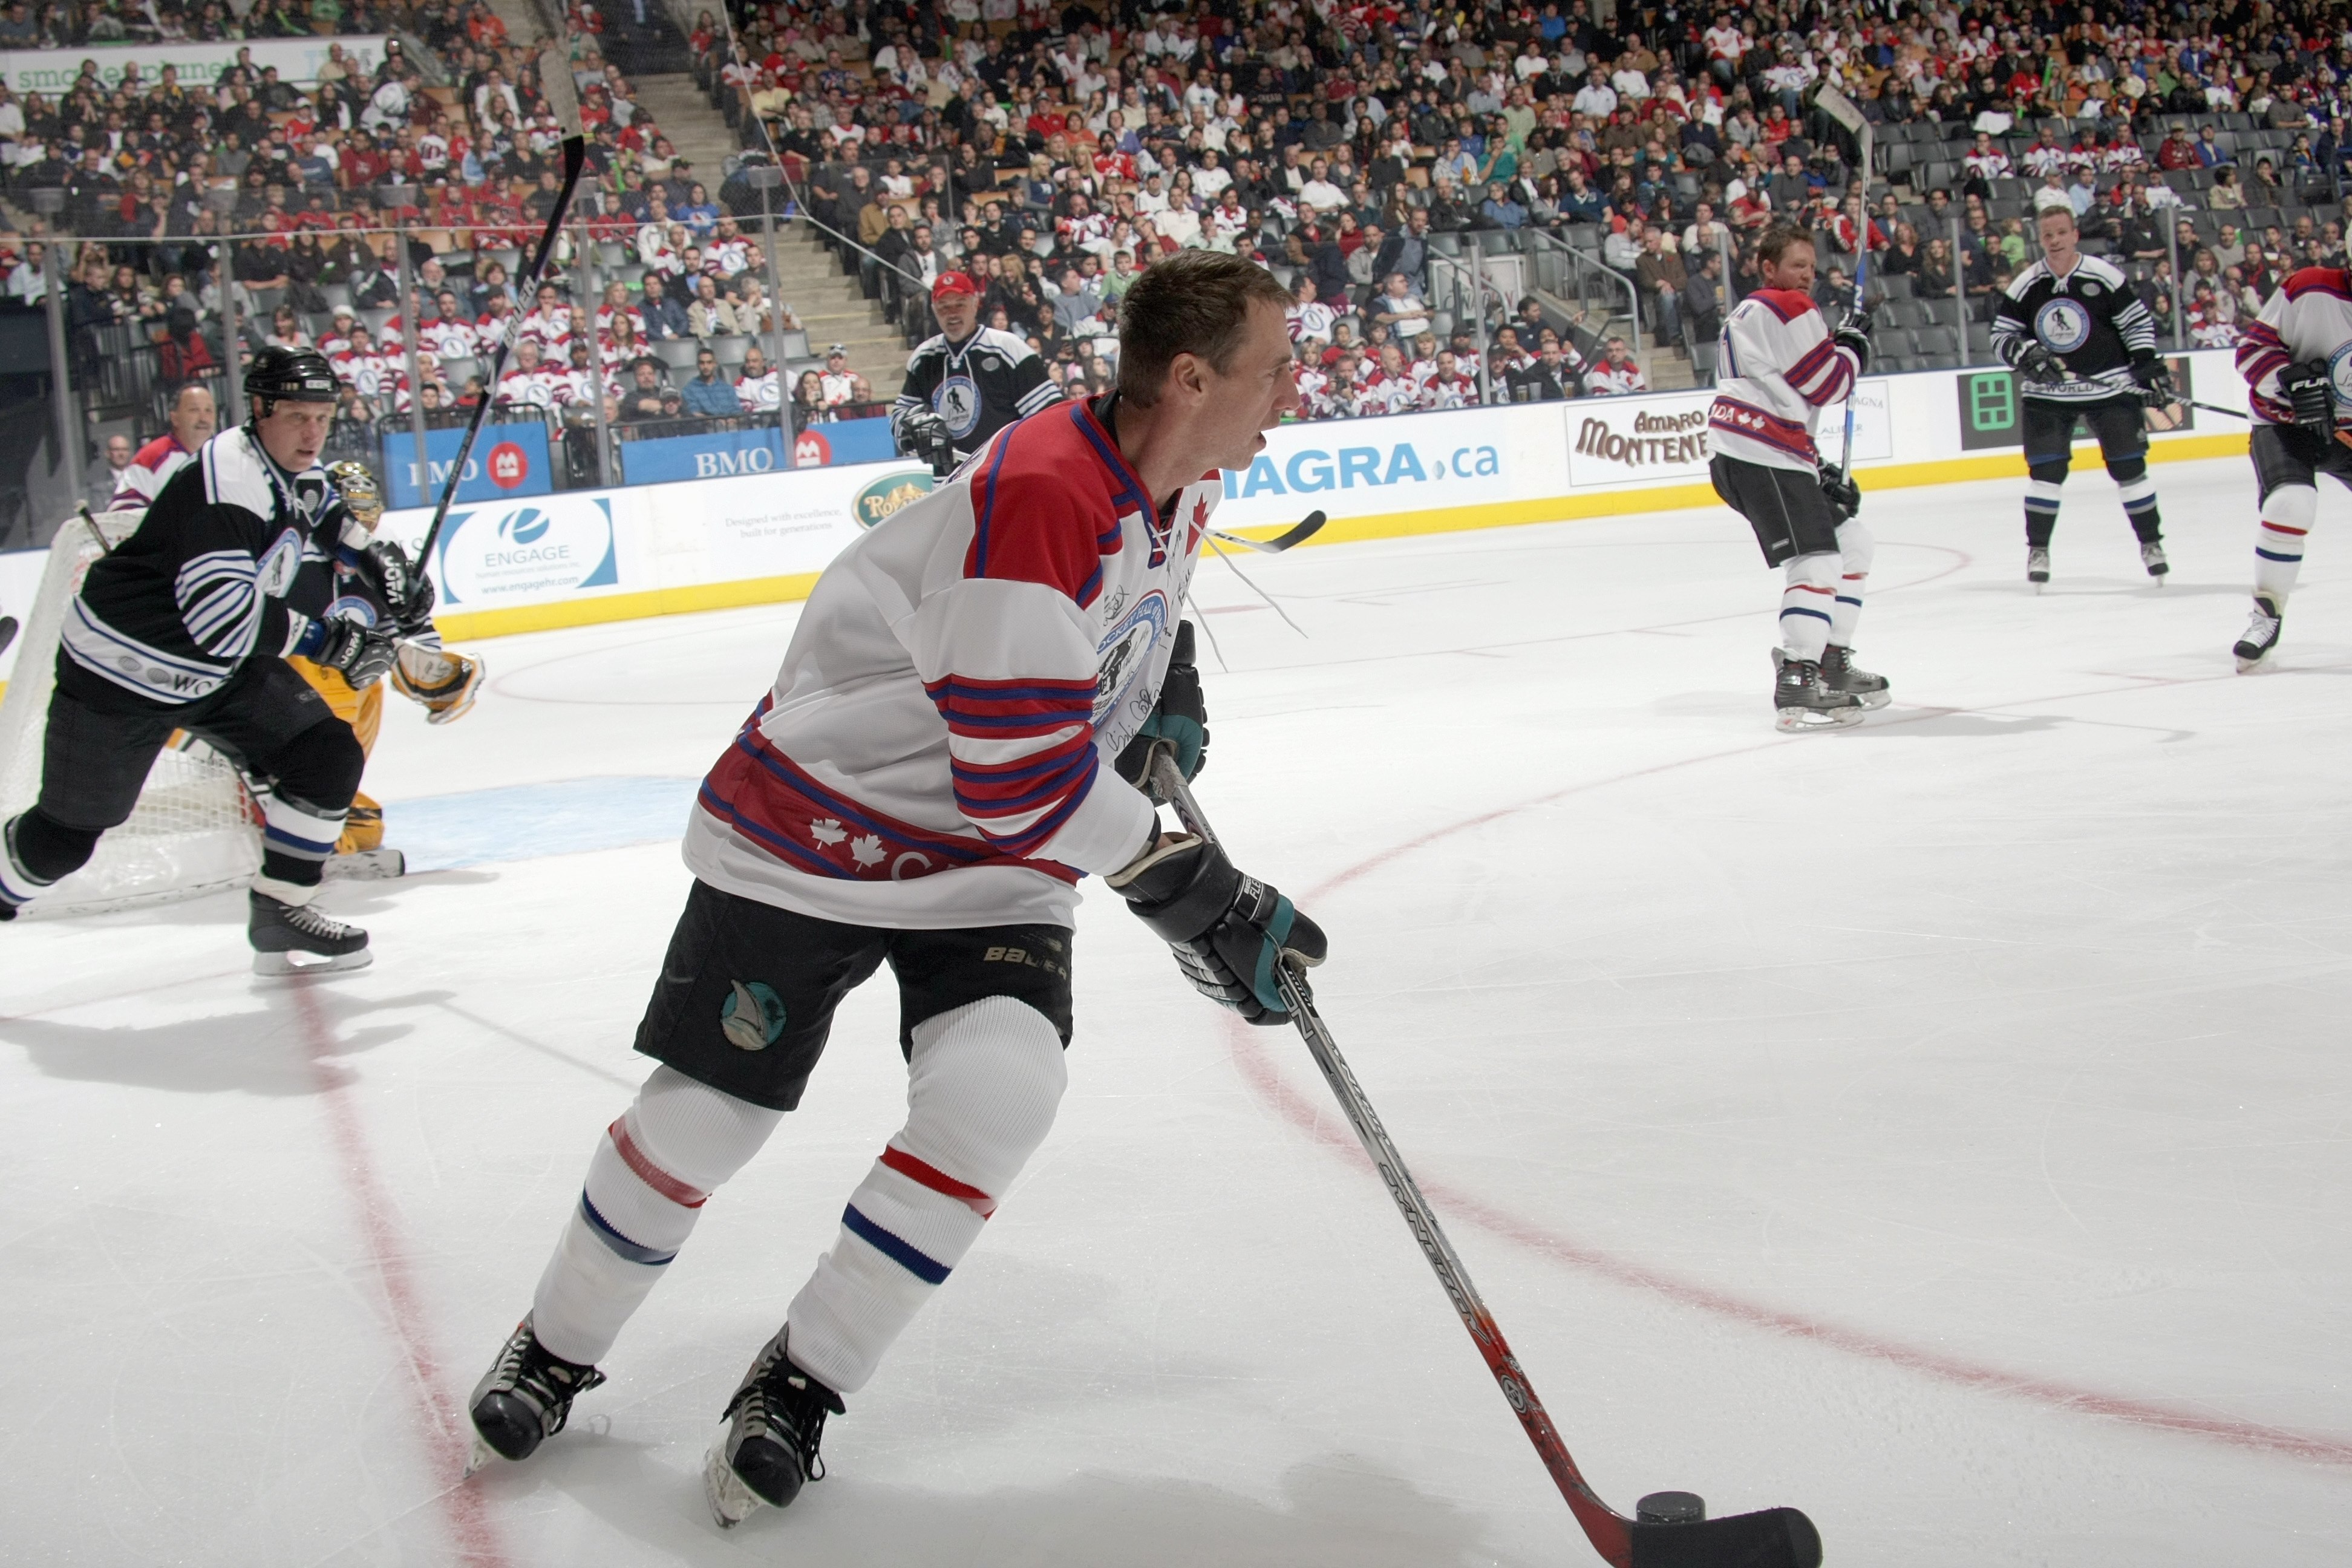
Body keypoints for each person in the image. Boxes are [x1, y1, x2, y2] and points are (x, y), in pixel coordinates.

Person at [460, 250, 1326, 1529]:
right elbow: (1024, 787)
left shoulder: (1178, 476)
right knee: (709, 1118)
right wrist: (1206, 898)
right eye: (1274, 368)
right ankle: (556, 1340)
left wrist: (1166, 692)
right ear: (1191, 378)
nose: (1291, 393)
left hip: (987, 869)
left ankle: (802, 1383)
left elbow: (1141, 613)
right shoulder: (1042, 494)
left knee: (999, 1096)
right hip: (823, 831)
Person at [0, 348, 388, 973]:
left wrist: (378, 561)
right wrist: (326, 643)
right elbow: (222, 621)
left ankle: (281, 910)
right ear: (260, 411)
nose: (312, 433)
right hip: (121, 673)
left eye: (321, 417)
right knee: (63, 841)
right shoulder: (228, 482)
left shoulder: (285, 465)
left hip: (211, 671)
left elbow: (324, 512)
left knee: (326, 755)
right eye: (297, 416)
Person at [1705, 223, 1883, 731]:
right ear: (1768, 268)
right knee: (1819, 561)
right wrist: (1853, 346)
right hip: (1762, 452)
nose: (1806, 276)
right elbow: (1827, 384)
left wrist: (1817, 468)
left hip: (1764, 451)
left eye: (1810, 266)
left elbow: (1783, 393)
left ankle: (1831, 659)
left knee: (1852, 542)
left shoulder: (1751, 313)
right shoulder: (1788, 306)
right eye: (1795, 266)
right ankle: (1800, 673)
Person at [282, 461, 483, 880]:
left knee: (365, 828)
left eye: (368, 525)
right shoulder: (291, 549)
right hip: (293, 679)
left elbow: (409, 632)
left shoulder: (381, 551)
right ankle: (292, 811)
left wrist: (434, 673)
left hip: (355, 683)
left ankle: (317, 807)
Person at [1988, 205, 2172, 589]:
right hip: (2048, 394)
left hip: (2109, 387)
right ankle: (2038, 549)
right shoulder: (2026, 284)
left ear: (2075, 235)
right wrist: (2023, 354)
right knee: (2046, 475)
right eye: (2047, 235)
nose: (2054, 241)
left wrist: (2145, 363)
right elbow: (2001, 336)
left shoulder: (2104, 276)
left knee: (2130, 471)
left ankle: (2152, 544)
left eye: (2061, 233)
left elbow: (2136, 323)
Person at [2227, 266, 2352, 670]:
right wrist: (2290, 381)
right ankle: (2266, 618)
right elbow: (2252, 351)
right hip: (2287, 425)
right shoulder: (2309, 288)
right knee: (2291, 505)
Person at [891, 270, 1060, 475]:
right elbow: (899, 417)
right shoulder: (924, 358)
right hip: (949, 482)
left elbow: (1051, 417)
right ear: (934, 310)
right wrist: (916, 431)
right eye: (944, 307)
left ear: (974, 305)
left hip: (1005, 478)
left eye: (959, 304)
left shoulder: (1008, 348)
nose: (952, 313)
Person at [113, 384, 218, 509]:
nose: (203, 418)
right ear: (175, 418)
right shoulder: (151, 457)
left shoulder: (224, 456)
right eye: (194, 410)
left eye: (209, 410)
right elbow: (122, 513)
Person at [682, 345, 746, 416]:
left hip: (731, 425)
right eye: (702, 363)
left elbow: (737, 410)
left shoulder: (727, 389)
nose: (705, 367)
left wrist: (731, 421)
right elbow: (694, 412)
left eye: (709, 362)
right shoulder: (690, 390)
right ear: (698, 365)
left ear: (715, 364)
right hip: (706, 426)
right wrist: (716, 422)